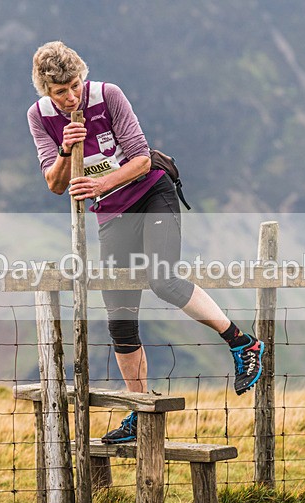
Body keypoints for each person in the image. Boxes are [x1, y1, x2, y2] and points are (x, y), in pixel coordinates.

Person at [27, 41, 263, 444]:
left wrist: (100, 182)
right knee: (119, 316)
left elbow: (140, 158)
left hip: (152, 192)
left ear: (83, 77)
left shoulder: (108, 96)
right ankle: (139, 411)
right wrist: (67, 148)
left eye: (74, 85)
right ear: (45, 91)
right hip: (111, 211)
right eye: (60, 91)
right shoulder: (39, 117)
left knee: (162, 278)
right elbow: (55, 183)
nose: (71, 97)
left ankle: (242, 343)